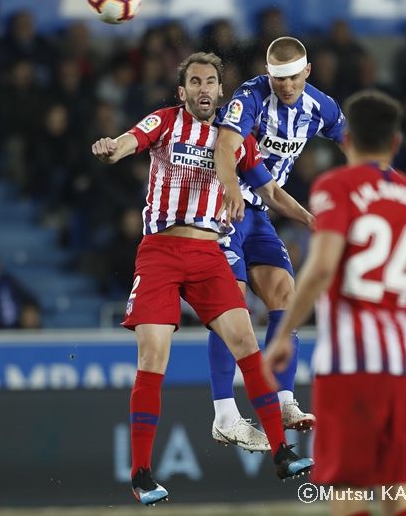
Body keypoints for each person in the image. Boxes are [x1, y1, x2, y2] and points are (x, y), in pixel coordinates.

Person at [91, 52, 314, 506]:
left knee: (247, 345)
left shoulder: (235, 139)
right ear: (182, 91)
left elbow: (269, 191)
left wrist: (311, 219)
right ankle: (141, 474)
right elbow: (131, 140)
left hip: (209, 252)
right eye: (194, 82)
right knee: (153, 357)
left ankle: (281, 452)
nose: (203, 89)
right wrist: (111, 146)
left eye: (210, 82)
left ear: (219, 90)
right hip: (160, 252)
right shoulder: (166, 122)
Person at [265, 90, 406, 516]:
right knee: (398, 490)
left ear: (348, 139)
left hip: (348, 363)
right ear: (395, 144)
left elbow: (320, 268)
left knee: (348, 490)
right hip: (403, 363)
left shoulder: (335, 186)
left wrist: (283, 334)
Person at [210, 36, 348, 450]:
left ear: (307, 71)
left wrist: (398, 184)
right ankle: (224, 413)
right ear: (268, 73)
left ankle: (284, 401)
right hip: (223, 210)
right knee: (229, 306)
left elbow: (359, 147)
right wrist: (231, 188)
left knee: (286, 296)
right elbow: (226, 144)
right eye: (278, 77)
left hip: (260, 212)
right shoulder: (249, 96)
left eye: (293, 77)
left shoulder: (320, 107)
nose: (286, 85)